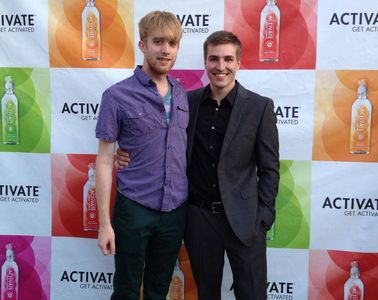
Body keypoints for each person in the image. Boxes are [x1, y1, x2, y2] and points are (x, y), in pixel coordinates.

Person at [117, 30, 279, 300]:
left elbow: (270, 168)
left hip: (245, 220)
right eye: (214, 59)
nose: (221, 66)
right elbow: (161, 141)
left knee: (252, 294)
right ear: (205, 62)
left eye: (228, 59)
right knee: (207, 294)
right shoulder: (186, 102)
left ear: (238, 62)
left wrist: (262, 219)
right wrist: (121, 152)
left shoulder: (260, 107)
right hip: (200, 220)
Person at [95, 11, 188, 300]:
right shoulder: (116, 96)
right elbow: (104, 160)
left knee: (159, 292)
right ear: (142, 45)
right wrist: (104, 224)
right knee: (126, 292)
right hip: (134, 209)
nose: (165, 50)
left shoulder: (183, 93)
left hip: (175, 211)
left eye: (172, 43)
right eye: (158, 41)